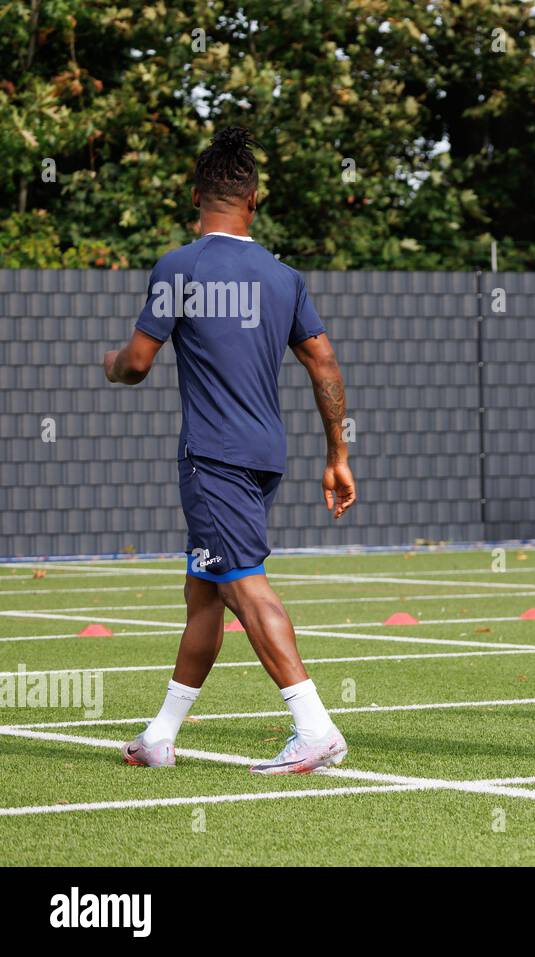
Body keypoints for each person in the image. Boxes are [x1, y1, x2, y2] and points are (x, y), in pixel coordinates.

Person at [102, 128, 357, 773]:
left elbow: (136, 363)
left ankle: (314, 726)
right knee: (204, 591)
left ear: (196, 197)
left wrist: (109, 363)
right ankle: (161, 734)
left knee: (241, 582)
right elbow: (323, 362)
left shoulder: (179, 267)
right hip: (267, 454)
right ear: (254, 199)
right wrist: (338, 453)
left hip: (212, 456)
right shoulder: (282, 275)